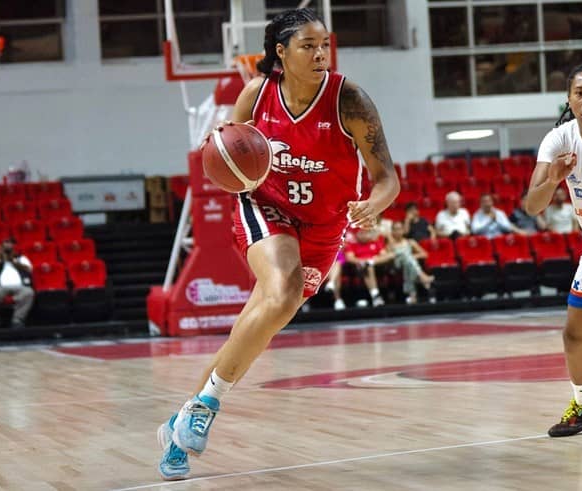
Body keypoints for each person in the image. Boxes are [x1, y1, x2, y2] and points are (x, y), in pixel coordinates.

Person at [157, 8, 400, 480]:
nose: (319, 54)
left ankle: (187, 416)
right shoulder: (256, 94)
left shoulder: (350, 101)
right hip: (265, 207)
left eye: (324, 44)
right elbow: (228, 152)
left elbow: (387, 177)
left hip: (325, 228)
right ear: (281, 52)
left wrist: (375, 202)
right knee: (282, 291)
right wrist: (221, 152)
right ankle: (204, 409)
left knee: (266, 317)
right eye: (308, 46)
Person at [525, 61, 582, 438]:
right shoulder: (559, 139)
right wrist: (554, 179)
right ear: (569, 99)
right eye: (580, 93)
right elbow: (533, 206)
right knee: (574, 336)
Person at [385, 221, 435, 304]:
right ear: (392, 231)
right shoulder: (390, 244)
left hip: (408, 265)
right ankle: (422, 276)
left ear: (403, 230)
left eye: (400, 229)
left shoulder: (410, 242)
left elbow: (424, 254)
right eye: (395, 229)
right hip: (396, 266)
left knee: (408, 262)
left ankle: (412, 295)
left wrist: (412, 257)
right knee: (407, 258)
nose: (398, 232)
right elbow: (388, 258)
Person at [0, 237, 34, 329]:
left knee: (28, 292)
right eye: (6, 243)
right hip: (0, 287)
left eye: (10, 243)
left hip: (20, 287)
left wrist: (13, 261)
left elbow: (29, 269)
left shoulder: (21, 258)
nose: (8, 245)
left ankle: (17, 320)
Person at [344, 227, 388, 307]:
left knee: (370, 265)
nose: (364, 235)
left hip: (378, 267)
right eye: (361, 233)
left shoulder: (375, 242)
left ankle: (375, 295)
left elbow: (385, 256)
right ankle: (375, 295)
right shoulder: (352, 244)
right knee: (367, 267)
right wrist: (362, 261)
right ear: (356, 235)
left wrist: (372, 261)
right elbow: (350, 258)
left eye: (365, 233)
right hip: (358, 268)